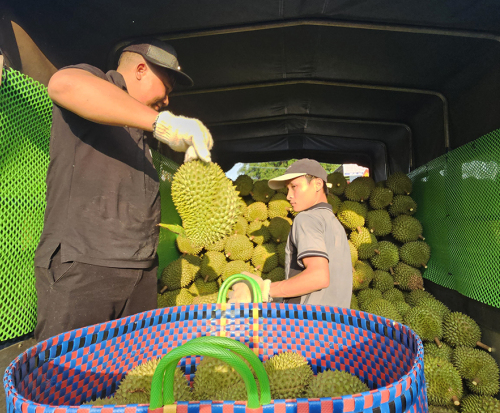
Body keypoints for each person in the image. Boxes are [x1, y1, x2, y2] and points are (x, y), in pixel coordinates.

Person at [34, 39, 213, 341]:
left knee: (132, 381)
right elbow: (63, 84)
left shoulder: (141, 135)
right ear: (141, 69)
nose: (168, 100)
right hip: (86, 267)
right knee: (72, 378)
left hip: (139, 271)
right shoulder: (97, 82)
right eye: (167, 86)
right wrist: (164, 125)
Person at [228, 159, 353, 308]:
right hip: (335, 326)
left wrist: (264, 290)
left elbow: (319, 277)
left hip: (308, 326)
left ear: (318, 184)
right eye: (288, 189)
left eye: (294, 187)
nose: (288, 196)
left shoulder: (306, 218)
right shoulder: (335, 223)